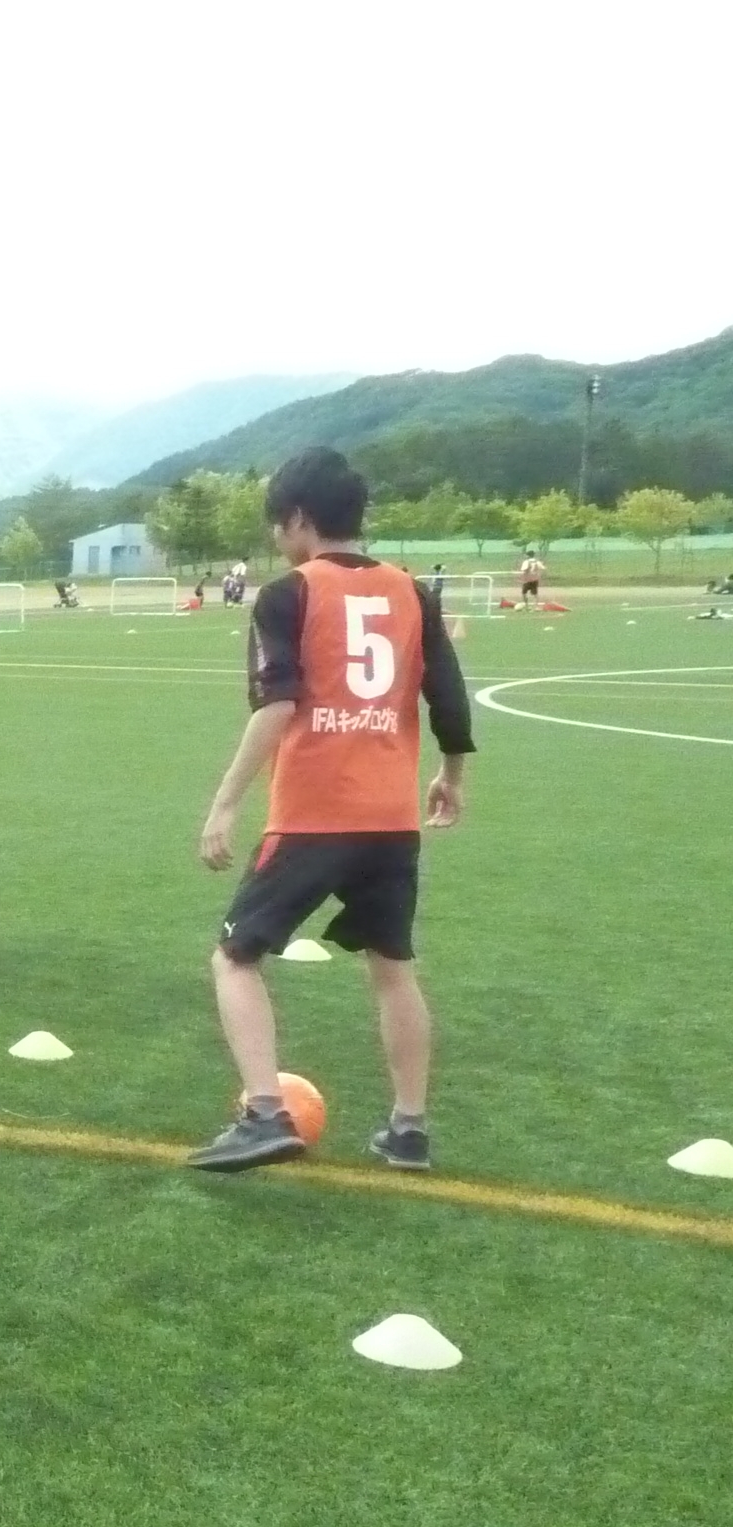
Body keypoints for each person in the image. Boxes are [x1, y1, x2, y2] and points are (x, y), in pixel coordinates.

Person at [190, 446, 475, 1174]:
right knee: (393, 966)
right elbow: (446, 694)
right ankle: (409, 1128)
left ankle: (263, 1113)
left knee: (234, 956)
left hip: (316, 814)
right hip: (390, 818)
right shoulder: (414, 591)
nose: (276, 540)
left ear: (300, 519)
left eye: (276, 525)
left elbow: (277, 703)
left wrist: (224, 802)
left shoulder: (289, 593)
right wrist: (450, 777)